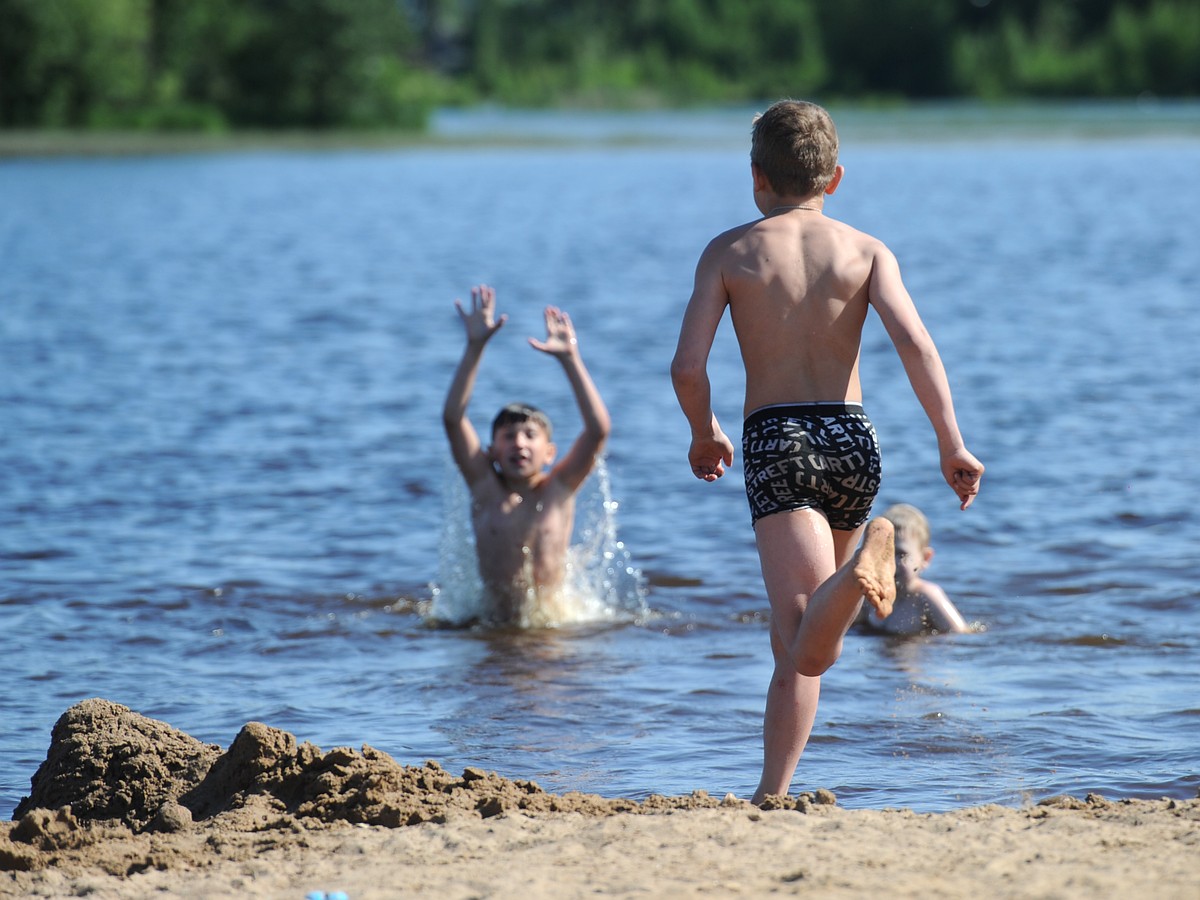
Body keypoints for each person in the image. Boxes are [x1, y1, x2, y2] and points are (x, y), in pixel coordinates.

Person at [670, 99, 983, 805]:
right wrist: (951, 442)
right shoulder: (867, 250)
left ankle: (881, 540)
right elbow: (916, 345)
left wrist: (704, 429)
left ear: (756, 177)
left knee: (813, 642)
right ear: (835, 177)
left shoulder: (729, 252)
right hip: (852, 438)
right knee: (798, 645)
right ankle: (771, 793)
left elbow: (687, 367)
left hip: (779, 440)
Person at [443, 284, 611, 627]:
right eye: (508, 436)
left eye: (530, 435)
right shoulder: (485, 488)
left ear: (549, 452)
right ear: (491, 451)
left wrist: (570, 359)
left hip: (551, 625)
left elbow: (597, 430)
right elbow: (453, 419)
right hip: (494, 621)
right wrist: (475, 347)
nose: (519, 443)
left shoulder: (559, 490)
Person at [859, 503, 971, 635]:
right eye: (885, 552)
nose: (892, 563)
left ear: (925, 558)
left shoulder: (925, 596)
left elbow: (960, 635)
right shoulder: (872, 595)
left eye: (901, 554)